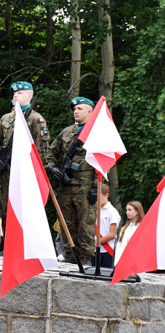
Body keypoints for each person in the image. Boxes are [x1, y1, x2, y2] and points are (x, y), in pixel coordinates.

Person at [0, 81, 49, 230]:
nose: (15, 95)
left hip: (24, 173)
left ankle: (23, 249)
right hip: (5, 172)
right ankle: (7, 247)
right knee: (5, 208)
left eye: (20, 93)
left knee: (24, 210)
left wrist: (34, 173)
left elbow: (41, 149)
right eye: (14, 93)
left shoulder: (35, 119)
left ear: (30, 96)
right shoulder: (6, 118)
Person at [46, 97, 97, 264]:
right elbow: (51, 153)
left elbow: (104, 161)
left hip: (86, 184)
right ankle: (69, 253)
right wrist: (53, 168)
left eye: (80, 108)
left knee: (85, 223)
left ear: (90, 110)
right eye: (74, 109)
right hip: (66, 185)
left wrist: (96, 186)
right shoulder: (67, 132)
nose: (76, 111)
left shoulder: (97, 132)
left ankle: (86, 256)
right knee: (66, 221)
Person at [93, 183, 121, 268]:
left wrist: (96, 242)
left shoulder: (112, 212)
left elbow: (112, 234)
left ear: (106, 195)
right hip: (94, 250)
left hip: (107, 250)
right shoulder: (94, 210)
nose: (97, 199)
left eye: (99, 196)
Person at [114, 201, 145, 266]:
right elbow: (119, 245)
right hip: (123, 262)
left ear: (137, 212)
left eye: (130, 210)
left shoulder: (142, 227)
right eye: (126, 210)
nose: (127, 212)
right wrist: (117, 261)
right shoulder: (124, 228)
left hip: (136, 263)